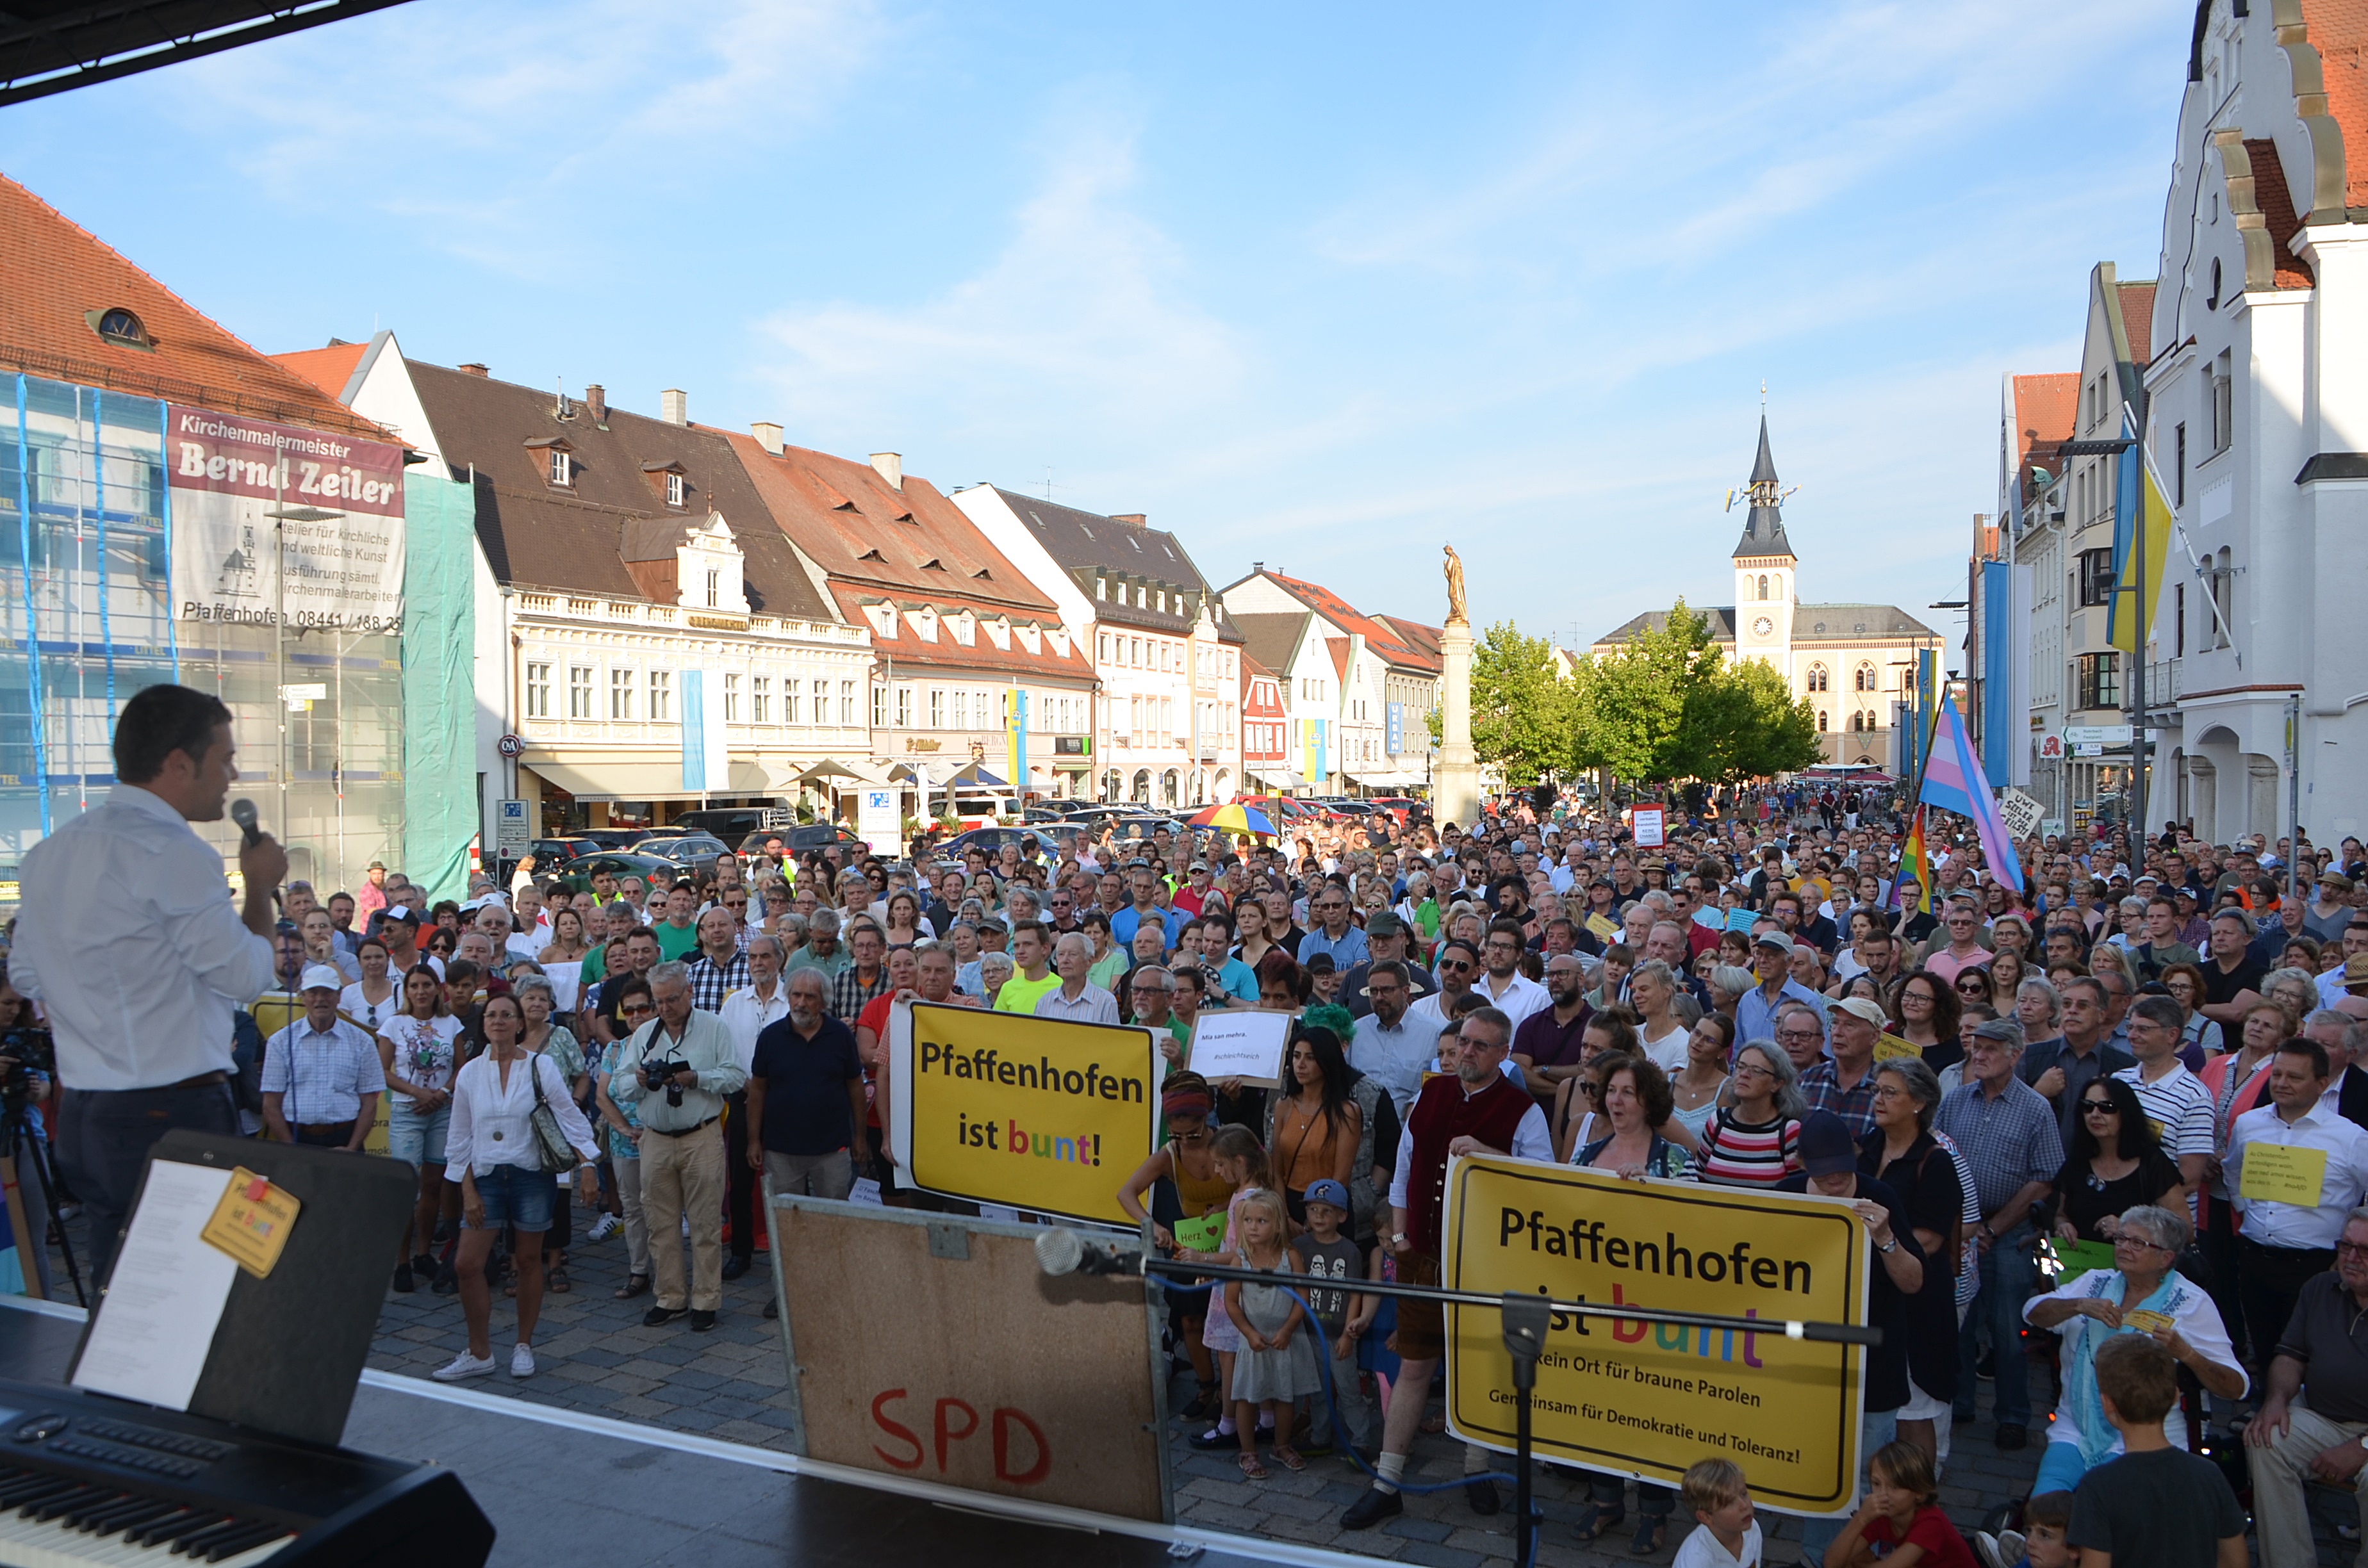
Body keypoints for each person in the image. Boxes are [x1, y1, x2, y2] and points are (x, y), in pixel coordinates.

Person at [10, 683, 284, 1282]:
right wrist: (260, 888)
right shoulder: (172, 853)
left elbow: (26, 973)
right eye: (225, 759)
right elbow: (246, 975)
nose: (233, 775)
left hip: (86, 1112)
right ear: (180, 763)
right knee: (189, 1293)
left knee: (124, 1287)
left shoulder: (51, 854)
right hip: (171, 1113)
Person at [1340, 1007, 1547, 1531]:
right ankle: (1387, 1483)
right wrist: (1401, 1238)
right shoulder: (1430, 1096)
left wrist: (1488, 1152)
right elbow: (1403, 1170)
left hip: (1486, 1262)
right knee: (1414, 1365)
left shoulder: (1523, 1111)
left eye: (1479, 1045)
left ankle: (1477, 1468)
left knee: (1478, 1364)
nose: (1466, 1053)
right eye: (1462, 1044)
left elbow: (1542, 1186)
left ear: (1503, 1053)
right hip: (1422, 1255)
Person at [1778, 1114, 1928, 1568]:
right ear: (1803, 1165)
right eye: (1825, 1172)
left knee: (1871, 1479)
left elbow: (1914, 1282)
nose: (1837, 1180)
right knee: (1818, 1473)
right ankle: (1816, 1558)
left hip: (1872, 1367)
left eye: (1844, 1168)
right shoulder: (1784, 1197)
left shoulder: (1880, 1196)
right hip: (1812, 1364)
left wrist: (1885, 1238)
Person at [431, 992, 602, 1382]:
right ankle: (480, 1352)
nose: (498, 1021)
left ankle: (524, 1345)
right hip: (486, 1177)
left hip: (531, 1176)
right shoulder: (471, 1073)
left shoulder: (541, 1066)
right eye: (491, 1015)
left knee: (527, 1261)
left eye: (507, 1015)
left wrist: (588, 1164)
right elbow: (459, 1137)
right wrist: (466, 1189)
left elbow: (569, 1115)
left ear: (520, 1023)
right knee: (466, 1264)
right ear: (484, 1024)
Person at [2022, 1204, 2248, 1494]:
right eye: (2121, 1238)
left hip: (2148, 1439)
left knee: (2103, 1501)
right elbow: (2032, 1313)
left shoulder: (2192, 1304)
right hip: (2077, 1428)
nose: (2124, 1247)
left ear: (2166, 1258)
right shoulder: (2096, 1281)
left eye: (2138, 1243)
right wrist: (2078, 1305)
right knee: (2047, 1502)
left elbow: (2236, 1388)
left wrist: (2187, 1354)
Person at [1935, 1017, 2062, 1452]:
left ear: (2015, 1055)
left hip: (2009, 1232)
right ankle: (1960, 1402)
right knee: (1960, 1323)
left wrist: (1992, 1228)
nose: (1981, 1056)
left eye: (1991, 1049)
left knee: (2009, 1330)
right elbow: (1938, 1157)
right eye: (1977, 1047)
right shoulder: (1955, 1100)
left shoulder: (2035, 1108)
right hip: (1959, 1230)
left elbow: (2043, 1179)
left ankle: (2012, 1415)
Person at [607, 961, 746, 1332]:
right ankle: (670, 1297)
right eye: (658, 1001)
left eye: (671, 999)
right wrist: (639, 1079)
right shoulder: (644, 1034)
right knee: (660, 1223)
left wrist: (696, 1078)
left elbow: (735, 1076)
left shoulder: (714, 1027)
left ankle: (706, 1300)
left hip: (701, 1135)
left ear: (689, 992)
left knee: (705, 1224)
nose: (665, 1008)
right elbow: (620, 1085)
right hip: (654, 1138)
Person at [2225, 1036, 2368, 1373]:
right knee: (2264, 1347)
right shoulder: (2249, 1124)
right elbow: (2233, 1171)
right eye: (2277, 1074)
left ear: (2322, 1084)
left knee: (2309, 1354)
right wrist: (2246, 1211)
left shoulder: (2350, 1137)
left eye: (2295, 1077)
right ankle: (2264, 1399)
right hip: (2256, 1258)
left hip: (2317, 1266)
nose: (2282, 1083)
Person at [2244, 1204, 2368, 1567]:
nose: (2352, 1258)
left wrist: (2361, 1446)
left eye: (2365, 1250)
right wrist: (2276, 1401)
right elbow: (2290, 1355)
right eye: (2346, 1246)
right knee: (2265, 1437)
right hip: (2323, 1419)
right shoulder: (2320, 1288)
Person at [2064, 1335, 2248, 1568]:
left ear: (2107, 1404)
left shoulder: (2098, 1486)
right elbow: (2236, 1561)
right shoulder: (2209, 1475)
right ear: (2175, 1396)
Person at [1223, 1188, 1320, 1480]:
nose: (1253, 1227)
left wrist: (1288, 1329)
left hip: (1284, 1339)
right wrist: (1249, 1333)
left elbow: (1303, 1295)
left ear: (1277, 1225)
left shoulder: (1291, 1257)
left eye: (1261, 1221)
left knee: (1285, 1395)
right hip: (1253, 1340)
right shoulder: (1240, 1260)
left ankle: (1282, 1445)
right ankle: (1248, 1451)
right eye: (1248, 1221)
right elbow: (1231, 1302)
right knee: (1246, 1395)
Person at [379, 961, 464, 1292]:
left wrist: (442, 1094)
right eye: (414, 986)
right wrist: (417, 1092)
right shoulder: (394, 1024)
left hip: (442, 1110)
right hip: (408, 1110)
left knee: (433, 1184)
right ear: (406, 991)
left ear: (437, 989)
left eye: (426, 985)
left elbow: (461, 1067)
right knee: (407, 1187)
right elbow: (382, 1070)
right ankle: (401, 1260)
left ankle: (424, 1253)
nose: (421, 991)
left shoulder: (451, 1023)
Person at [745, 968, 865, 1202]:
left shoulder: (841, 1036)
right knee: (787, 1218)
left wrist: (860, 1137)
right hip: (781, 1151)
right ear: (788, 997)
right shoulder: (770, 1037)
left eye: (810, 997)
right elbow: (758, 1091)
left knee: (834, 1217)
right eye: (796, 995)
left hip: (833, 1150)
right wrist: (754, 1140)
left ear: (823, 1002)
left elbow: (856, 1087)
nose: (801, 1003)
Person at [1290, 1177, 1372, 1459]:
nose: (1319, 1216)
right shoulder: (1298, 1247)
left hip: (1338, 1334)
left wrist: (1348, 1335)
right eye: (1313, 1210)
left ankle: (1361, 1441)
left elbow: (1355, 1294)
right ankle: (1320, 1437)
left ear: (1342, 1216)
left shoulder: (1349, 1251)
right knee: (1318, 1390)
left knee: (1349, 1390)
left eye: (1327, 1211)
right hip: (1309, 1333)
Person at [259, 965, 382, 1150]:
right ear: (302, 997)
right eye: (313, 993)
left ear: (339, 996)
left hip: (345, 1136)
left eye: (327, 992)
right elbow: (271, 1104)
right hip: (296, 1138)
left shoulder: (362, 1041)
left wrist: (352, 1148)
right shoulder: (280, 1042)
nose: (320, 999)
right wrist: (291, 1149)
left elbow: (370, 1102)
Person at [2048, 1077, 2185, 1244]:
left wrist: (2128, 1229)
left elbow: (2184, 1230)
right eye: (2088, 1107)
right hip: (2080, 1259)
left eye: (2107, 1107)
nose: (2095, 1114)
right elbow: (2061, 1215)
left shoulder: (2152, 1163)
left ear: (2126, 1112)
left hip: (2134, 1260)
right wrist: (2063, 1226)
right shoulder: (2077, 1160)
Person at [1821, 1439, 1973, 1568]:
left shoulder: (1932, 1522)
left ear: (1919, 1492)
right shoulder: (1881, 1514)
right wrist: (1861, 1518)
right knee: (1853, 1555)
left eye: (1894, 1487)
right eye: (1876, 1483)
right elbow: (1831, 1562)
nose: (1883, 1495)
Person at [1265, 1026, 1363, 1225]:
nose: (1300, 1064)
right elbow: (1276, 1170)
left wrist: (1316, 1217)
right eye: (1296, 1056)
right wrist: (1285, 1216)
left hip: (1329, 1208)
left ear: (1327, 1062)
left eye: (1310, 1058)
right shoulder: (1284, 1106)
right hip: (1289, 1205)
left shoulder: (1347, 1112)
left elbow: (1341, 1177)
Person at [1695, 1039, 1804, 1188]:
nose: (1744, 1074)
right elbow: (1698, 1177)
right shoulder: (1717, 1121)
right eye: (1741, 1067)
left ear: (1777, 1084)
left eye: (1756, 1071)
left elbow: (1798, 1190)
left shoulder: (1790, 1132)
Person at [1802, 996, 1886, 1137]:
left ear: (1874, 1037)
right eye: (1835, 1023)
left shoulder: (1885, 1089)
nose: (1837, 1032)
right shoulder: (1808, 1080)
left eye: (1849, 1025)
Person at [1672, 1458, 1760, 1568]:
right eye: (1730, 1502)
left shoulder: (1753, 1530)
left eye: (1744, 1494)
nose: (1744, 1505)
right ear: (1705, 1517)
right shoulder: (1696, 1560)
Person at [1034, 932, 1120, 1024]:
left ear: (1089, 961)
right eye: (1061, 954)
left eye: (1073, 954)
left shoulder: (1105, 1002)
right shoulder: (1045, 1002)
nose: (1065, 960)